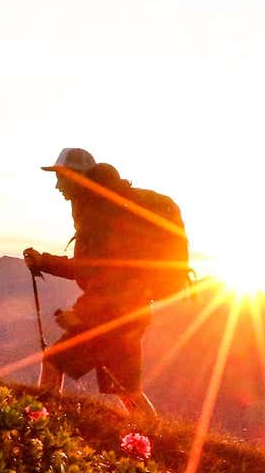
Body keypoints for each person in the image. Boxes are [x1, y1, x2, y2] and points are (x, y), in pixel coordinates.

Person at [23, 147, 184, 415]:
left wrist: (82, 314)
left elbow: (115, 276)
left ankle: (38, 426)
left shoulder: (101, 215)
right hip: (130, 314)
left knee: (54, 361)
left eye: (61, 177)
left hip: (109, 317)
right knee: (124, 388)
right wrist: (44, 262)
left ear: (77, 177)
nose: (57, 186)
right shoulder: (100, 208)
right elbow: (91, 269)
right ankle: (154, 437)